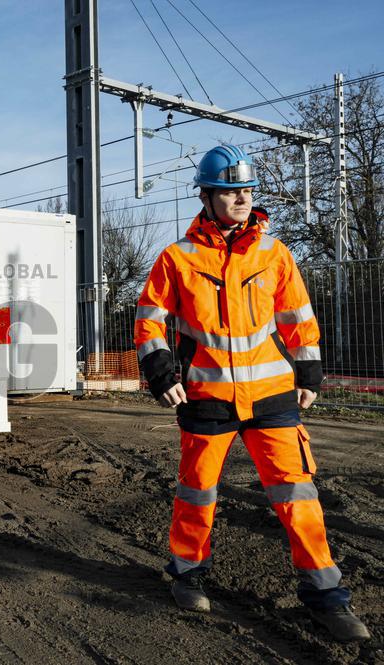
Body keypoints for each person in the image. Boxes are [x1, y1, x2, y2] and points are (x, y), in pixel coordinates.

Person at [133, 144, 369, 642]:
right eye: (230, 191)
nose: (241, 198)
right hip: (206, 398)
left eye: (246, 190)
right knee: (197, 494)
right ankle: (187, 575)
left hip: (272, 397)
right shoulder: (177, 257)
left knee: (298, 495)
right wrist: (161, 373)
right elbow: (150, 320)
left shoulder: (274, 253)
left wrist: (309, 375)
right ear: (206, 196)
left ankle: (327, 597)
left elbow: (298, 317)